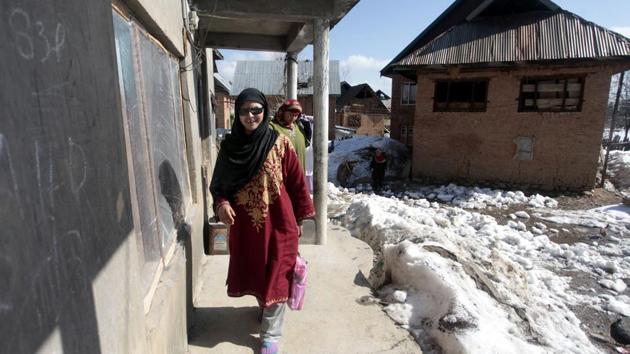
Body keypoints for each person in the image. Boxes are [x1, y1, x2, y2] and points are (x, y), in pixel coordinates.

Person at [210, 88, 315, 354]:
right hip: (246, 227)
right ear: (238, 114)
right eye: (245, 110)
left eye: (256, 110)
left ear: (265, 111)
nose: (250, 116)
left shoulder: (280, 144)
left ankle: (271, 334)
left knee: (278, 273)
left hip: (280, 223)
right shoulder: (230, 147)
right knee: (257, 272)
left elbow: (297, 183)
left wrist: (301, 217)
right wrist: (222, 203)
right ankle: (265, 305)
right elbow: (219, 184)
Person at [270, 99, 312, 172]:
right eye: (290, 115)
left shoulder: (298, 127)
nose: (293, 118)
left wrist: (307, 136)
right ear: (282, 112)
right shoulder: (272, 127)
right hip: (282, 176)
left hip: (299, 174)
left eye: (296, 115)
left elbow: (300, 146)